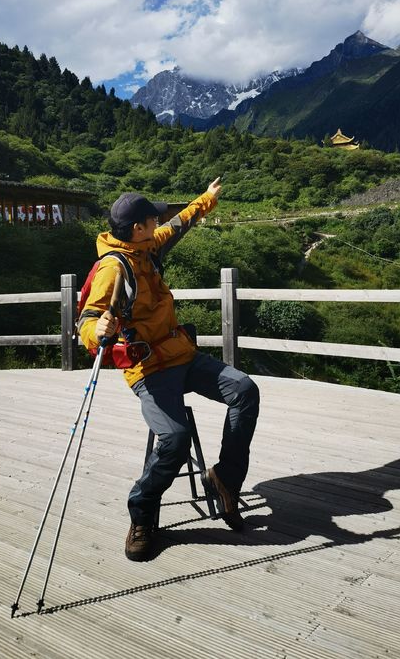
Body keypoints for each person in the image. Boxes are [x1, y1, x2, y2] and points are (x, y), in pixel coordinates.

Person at [79, 178, 260, 561]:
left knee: (244, 390)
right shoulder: (114, 268)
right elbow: (87, 323)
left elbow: (181, 222)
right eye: (152, 218)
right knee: (175, 439)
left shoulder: (148, 246)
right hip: (148, 369)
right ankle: (142, 514)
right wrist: (97, 330)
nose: (159, 221)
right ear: (137, 228)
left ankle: (224, 478)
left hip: (181, 354)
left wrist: (208, 200)